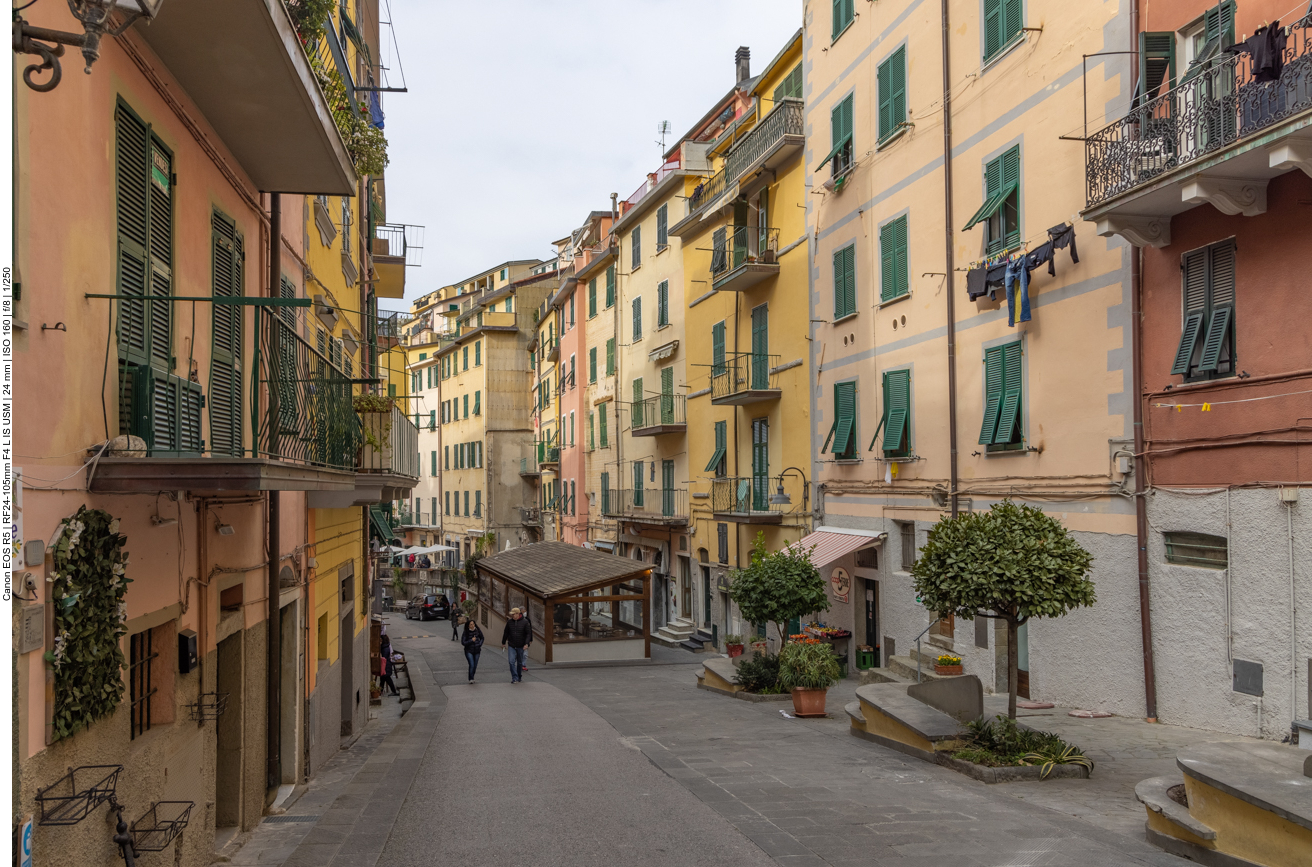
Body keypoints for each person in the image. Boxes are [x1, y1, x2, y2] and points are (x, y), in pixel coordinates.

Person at [501, 607, 532, 683]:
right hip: (511, 644)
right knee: (511, 661)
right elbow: (506, 632)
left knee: (520, 662)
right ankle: (514, 677)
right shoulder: (509, 622)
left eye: (513, 614)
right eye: (512, 614)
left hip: (521, 645)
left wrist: (526, 643)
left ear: (518, 614)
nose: (512, 616)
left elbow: (528, 634)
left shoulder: (525, 622)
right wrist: (503, 642)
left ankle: (519, 676)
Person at [461, 618, 485, 684]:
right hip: (469, 650)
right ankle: (471, 678)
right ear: (468, 625)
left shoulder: (477, 630)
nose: (472, 625)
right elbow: (463, 642)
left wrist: (479, 644)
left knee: (475, 665)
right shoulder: (466, 632)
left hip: (477, 650)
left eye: (473, 624)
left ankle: (472, 676)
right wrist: (471, 640)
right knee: (471, 664)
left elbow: (482, 638)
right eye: (471, 624)